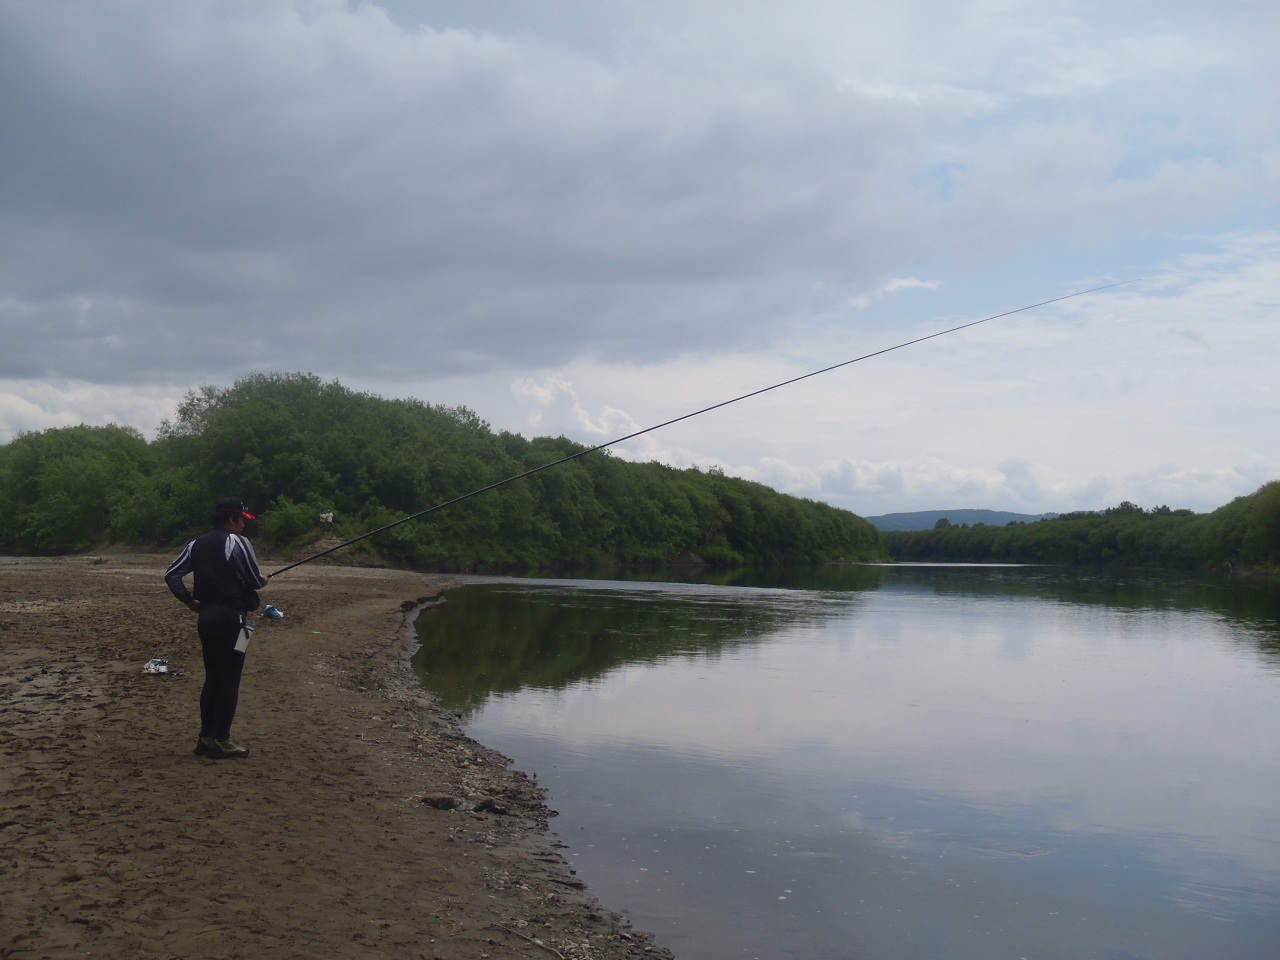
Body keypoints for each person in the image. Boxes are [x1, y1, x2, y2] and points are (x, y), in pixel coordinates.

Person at [165, 496, 271, 759]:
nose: (244, 527)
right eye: (242, 521)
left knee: (213, 676)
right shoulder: (237, 542)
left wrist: (189, 601)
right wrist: (263, 580)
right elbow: (253, 581)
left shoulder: (195, 544)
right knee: (230, 679)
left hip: (207, 618)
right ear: (231, 519)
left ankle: (205, 738)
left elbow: (172, 574)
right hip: (233, 619)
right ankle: (222, 741)